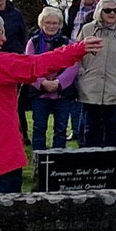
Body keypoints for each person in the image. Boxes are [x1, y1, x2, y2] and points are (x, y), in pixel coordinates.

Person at [0, 8, 102, 193]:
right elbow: (35, 65)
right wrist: (77, 49)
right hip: (1, 157)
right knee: (3, 217)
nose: (4, 39)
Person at [75, 0, 116, 150]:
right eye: (107, 10)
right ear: (99, 11)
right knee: (91, 129)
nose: (112, 13)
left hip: (115, 87)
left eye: (115, 10)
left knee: (112, 129)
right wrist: (83, 73)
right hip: (91, 87)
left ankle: (110, 166)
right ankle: (89, 165)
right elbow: (76, 53)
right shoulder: (88, 29)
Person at [25, 8, 78, 150]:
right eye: (48, 23)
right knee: (39, 128)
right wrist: (42, 82)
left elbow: (73, 66)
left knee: (61, 130)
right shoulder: (33, 42)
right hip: (39, 93)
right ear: (41, 24)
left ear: (60, 24)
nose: (51, 26)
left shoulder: (68, 43)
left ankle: (58, 164)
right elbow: (29, 65)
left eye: (55, 23)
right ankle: (39, 163)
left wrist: (58, 83)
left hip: (62, 93)